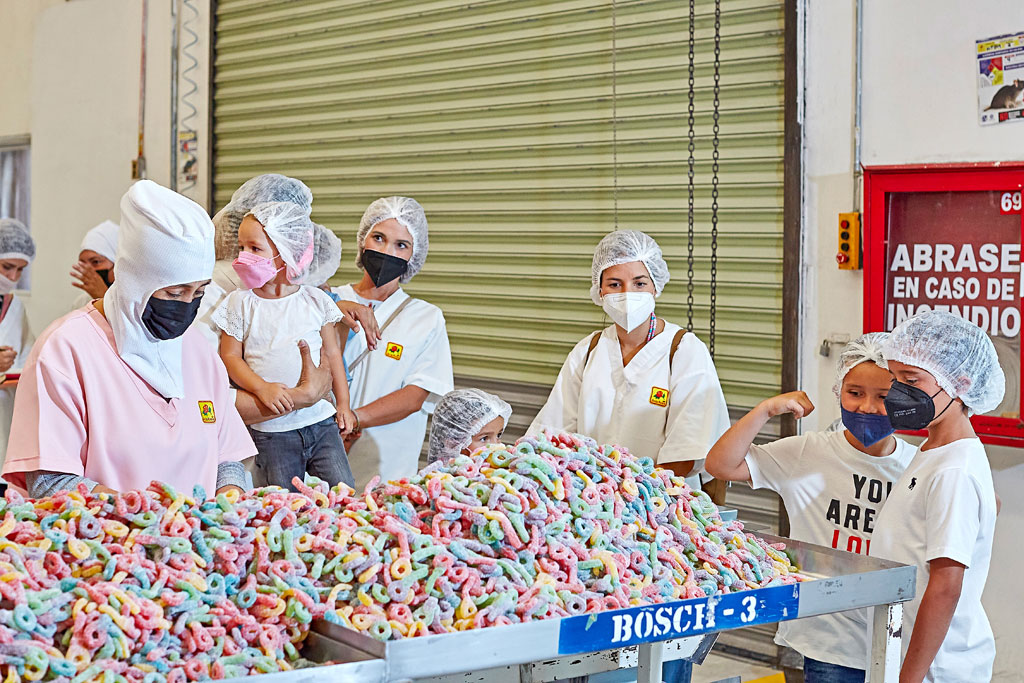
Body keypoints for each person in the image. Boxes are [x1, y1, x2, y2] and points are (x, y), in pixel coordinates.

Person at [1, 180, 255, 498]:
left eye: (199, 291)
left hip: (196, 543)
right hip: (107, 544)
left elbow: (227, 456)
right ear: (135, 281)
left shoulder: (196, 349)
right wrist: (146, 516)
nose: (187, 304)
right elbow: (50, 481)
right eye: (174, 292)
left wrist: (230, 500)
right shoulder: (66, 351)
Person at [704, 333, 916, 683]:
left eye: (884, 397)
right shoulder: (808, 454)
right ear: (838, 392)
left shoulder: (917, 465)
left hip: (893, 635)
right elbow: (720, 465)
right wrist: (766, 410)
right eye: (855, 393)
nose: (867, 407)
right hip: (828, 641)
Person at [530, 230, 730, 492]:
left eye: (639, 283)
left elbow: (686, 451)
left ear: (656, 286)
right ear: (599, 290)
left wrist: (630, 495)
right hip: (592, 499)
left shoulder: (684, 350)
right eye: (614, 284)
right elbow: (553, 436)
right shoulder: (587, 352)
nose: (627, 294)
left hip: (662, 503)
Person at [870, 311, 1002, 683]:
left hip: (937, 668)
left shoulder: (953, 469)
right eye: (894, 378)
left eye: (911, 380)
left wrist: (908, 678)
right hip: (908, 649)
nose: (897, 391)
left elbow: (945, 587)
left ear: (961, 383)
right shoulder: (933, 450)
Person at [196, 174, 379, 428]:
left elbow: (324, 354)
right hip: (241, 451)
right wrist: (304, 397)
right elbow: (201, 404)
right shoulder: (208, 295)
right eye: (247, 247)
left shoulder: (287, 292)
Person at [212, 202, 355, 492]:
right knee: (282, 503)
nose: (243, 257)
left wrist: (343, 404)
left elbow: (332, 355)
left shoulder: (315, 301)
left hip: (321, 423)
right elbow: (228, 356)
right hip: (272, 432)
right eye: (241, 247)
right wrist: (262, 388)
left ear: (286, 252)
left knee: (344, 495)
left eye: (255, 248)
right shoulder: (239, 303)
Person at [333, 196, 454, 488]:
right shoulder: (326, 300)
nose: (387, 251)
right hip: (318, 457)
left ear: (414, 255)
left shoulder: (425, 318)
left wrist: (353, 420)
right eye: (378, 238)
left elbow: (415, 396)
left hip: (387, 471)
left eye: (401, 245)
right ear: (363, 241)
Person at [0, 219, 36, 474]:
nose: (12, 277)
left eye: (20, 270)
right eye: (7, 267)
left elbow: (29, 358)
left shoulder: (14, 307)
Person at [427, 389, 512, 464]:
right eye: (484, 438)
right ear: (452, 443)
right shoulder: (441, 480)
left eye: (498, 435)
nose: (495, 445)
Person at [70, 219, 119, 307]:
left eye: (95, 262)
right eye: (83, 264)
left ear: (117, 263)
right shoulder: (81, 303)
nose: (88, 270)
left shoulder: (137, 303)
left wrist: (103, 298)